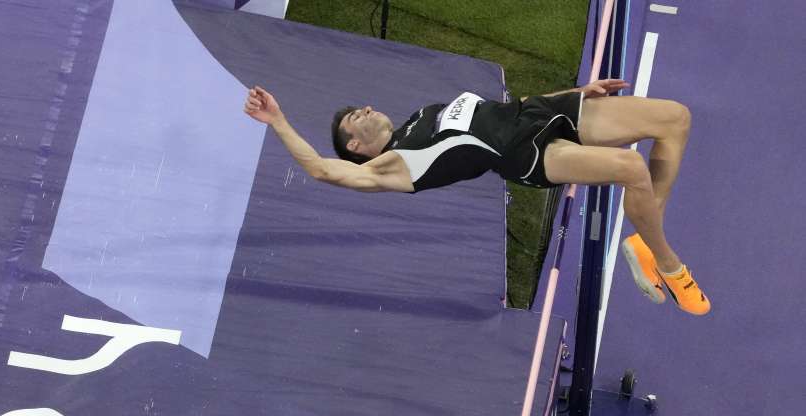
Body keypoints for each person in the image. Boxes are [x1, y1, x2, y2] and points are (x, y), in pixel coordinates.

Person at [242, 81, 709, 315]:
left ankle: (647, 239)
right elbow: (322, 170)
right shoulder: (395, 164)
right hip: (527, 153)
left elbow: (490, 113)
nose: (361, 111)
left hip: (537, 111)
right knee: (630, 167)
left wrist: (574, 92)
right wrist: (278, 119)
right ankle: (667, 264)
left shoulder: (422, 115)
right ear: (358, 149)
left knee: (675, 118)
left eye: (358, 107)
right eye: (352, 123)